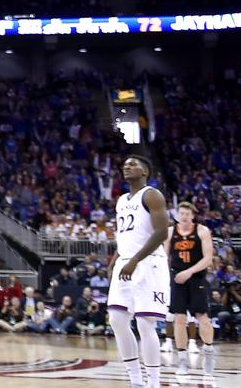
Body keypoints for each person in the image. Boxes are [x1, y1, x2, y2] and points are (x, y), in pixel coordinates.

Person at [107, 155, 170, 388]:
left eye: (133, 164)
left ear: (145, 171)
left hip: (149, 264)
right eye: (124, 165)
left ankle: (153, 382)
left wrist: (134, 260)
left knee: (145, 323)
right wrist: (115, 260)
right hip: (126, 262)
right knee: (117, 320)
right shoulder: (122, 200)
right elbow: (125, 235)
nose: (127, 167)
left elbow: (162, 233)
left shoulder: (152, 195)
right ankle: (136, 381)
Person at [165, 201, 216, 375]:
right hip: (177, 278)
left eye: (187, 214)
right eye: (182, 213)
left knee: (203, 317)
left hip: (196, 277)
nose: (184, 217)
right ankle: (182, 361)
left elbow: (208, 259)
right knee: (179, 318)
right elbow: (164, 257)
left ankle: (209, 352)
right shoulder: (170, 232)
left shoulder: (202, 231)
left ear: (192, 216)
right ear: (177, 215)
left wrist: (189, 271)